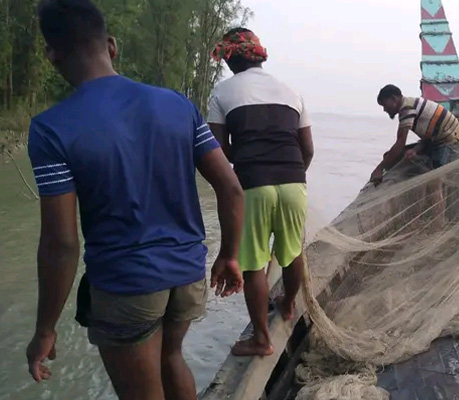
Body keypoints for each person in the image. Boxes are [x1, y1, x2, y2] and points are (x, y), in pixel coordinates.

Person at [25, 1, 244, 399]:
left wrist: (45, 329)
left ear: (52, 55)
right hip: (187, 274)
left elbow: (61, 243)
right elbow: (230, 188)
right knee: (172, 358)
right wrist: (230, 254)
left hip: (127, 285)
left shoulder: (50, 130)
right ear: (111, 46)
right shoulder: (178, 105)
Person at [207, 28, 314, 357]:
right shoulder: (291, 91)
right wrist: (291, 176)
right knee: (293, 251)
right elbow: (307, 148)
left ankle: (262, 340)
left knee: (252, 264)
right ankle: (288, 305)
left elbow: (217, 150)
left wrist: (248, 167)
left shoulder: (223, 92)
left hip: (252, 183)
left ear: (229, 59)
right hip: (294, 181)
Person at [372, 84, 459, 228]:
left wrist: (379, 169)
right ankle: (429, 220)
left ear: (394, 99)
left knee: (434, 182)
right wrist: (416, 149)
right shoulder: (410, 104)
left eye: (385, 105)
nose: (385, 109)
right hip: (436, 140)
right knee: (431, 180)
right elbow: (429, 132)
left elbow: (399, 144)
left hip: (450, 142)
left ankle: (437, 226)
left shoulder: (406, 109)